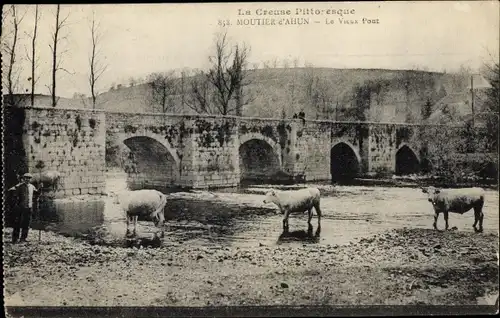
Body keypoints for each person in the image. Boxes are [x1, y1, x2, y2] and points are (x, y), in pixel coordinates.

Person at [8, 173, 40, 243]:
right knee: (17, 223)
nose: (27, 179)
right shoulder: (19, 186)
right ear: (23, 178)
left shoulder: (32, 186)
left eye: (28, 178)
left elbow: (37, 194)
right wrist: (15, 205)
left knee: (26, 223)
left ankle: (23, 238)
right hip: (20, 207)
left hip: (29, 207)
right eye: (25, 178)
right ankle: (15, 239)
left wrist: (40, 188)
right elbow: (13, 194)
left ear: (30, 179)